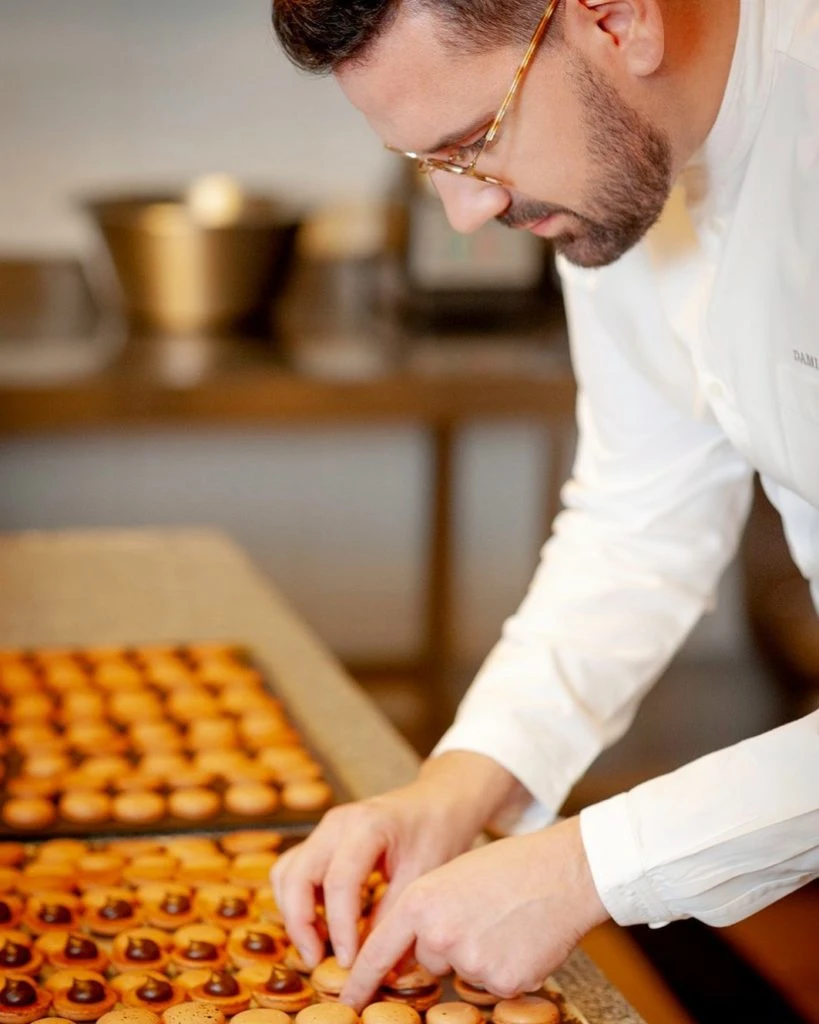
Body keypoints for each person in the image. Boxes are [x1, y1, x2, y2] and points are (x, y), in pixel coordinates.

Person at [269, 0, 819, 1009]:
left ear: (617, 19)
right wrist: (460, 782)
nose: (463, 214)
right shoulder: (620, 161)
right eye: (426, 165)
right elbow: (638, 516)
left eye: (471, 142)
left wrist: (585, 869)